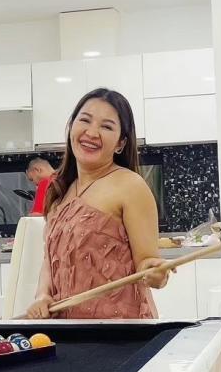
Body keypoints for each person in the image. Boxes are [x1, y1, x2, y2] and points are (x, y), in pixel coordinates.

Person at [25, 89, 169, 319]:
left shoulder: (131, 186)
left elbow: (147, 263)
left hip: (122, 331)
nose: (92, 133)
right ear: (71, 127)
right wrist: (42, 295)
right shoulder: (59, 190)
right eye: (85, 120)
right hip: (68, 330)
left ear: (120, 143)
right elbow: (50, 260)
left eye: (107, 126)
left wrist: (156, 272)